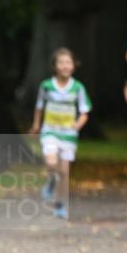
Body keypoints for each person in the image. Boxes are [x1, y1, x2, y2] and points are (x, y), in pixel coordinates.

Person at [29, 47, 91, 219]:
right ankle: (50, 182)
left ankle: (61, 204)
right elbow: (39, 107)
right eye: (61, 63)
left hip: (68, 135)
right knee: (51, 163)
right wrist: (36, 125)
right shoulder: (46, 86)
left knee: (64, 172)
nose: (65, 66)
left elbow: (85, 111)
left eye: (68, 63)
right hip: (50, 131)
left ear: (74, 66)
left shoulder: (78, 88)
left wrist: (77, 125)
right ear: (55, 66)